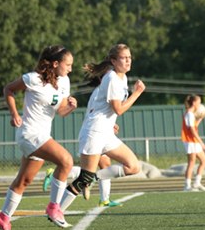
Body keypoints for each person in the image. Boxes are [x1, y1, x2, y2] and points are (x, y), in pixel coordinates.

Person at [0, 45, 77, 230]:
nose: (70, 69)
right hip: (30, 134)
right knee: (66, 161)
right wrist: (14, 114)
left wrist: (71, 107)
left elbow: (61, 111)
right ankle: (54, 208)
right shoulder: (33, 78)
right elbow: (8, 89)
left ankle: (4, 217)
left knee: (24, 181)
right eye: (68, 65)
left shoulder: (64, 81)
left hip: (42, 135)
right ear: (55, 64)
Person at [59, 43, 145, 212]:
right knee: (84, 179)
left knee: (134, 167)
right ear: (113, 60)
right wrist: (137, 93)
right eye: (124, 58)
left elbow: (108, 110)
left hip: (105, 132)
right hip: (95, 132)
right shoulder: (112, 78)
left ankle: (90, 178)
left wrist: (111, 123)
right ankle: (56, 210)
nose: (128, 60)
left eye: (129, 57)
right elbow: (118, 109)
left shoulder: (122, 78)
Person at [181, 95, 205, 191]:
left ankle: (197, 182)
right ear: (194, 103)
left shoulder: (192, 114)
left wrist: (201, 118)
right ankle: (187, 185)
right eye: (199, 102)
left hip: (194, 141)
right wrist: (201, 142)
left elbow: (194, 126)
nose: (199, 104)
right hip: (190, 141)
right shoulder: (189, 114)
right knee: (191, 163)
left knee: (204, 161)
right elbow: (192, 130)